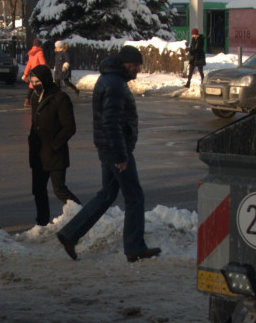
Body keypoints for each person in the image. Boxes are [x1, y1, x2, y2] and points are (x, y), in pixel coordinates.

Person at [55, 45, 160, 263]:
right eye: (135, 65)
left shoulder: (111, 80)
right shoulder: (114, 84)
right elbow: (111, 123)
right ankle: (134, 247)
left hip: (109, 147)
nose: (138, 69)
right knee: (134, 196)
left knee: (107, 194)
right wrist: (121, 155)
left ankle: (70, 234)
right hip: (115, 148)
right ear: (125, 63)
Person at [26, 65, 79, 227]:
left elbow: (69, 126)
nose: (35, 85)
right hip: (38, 152)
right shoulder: (36, 97)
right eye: (32, 81)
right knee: (38, 190)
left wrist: (55, 144)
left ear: (46, 81)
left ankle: (82, 216)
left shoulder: (60, 98)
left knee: (60, 190)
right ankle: (42, 223)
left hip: (54, 153)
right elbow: (35, 123)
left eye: (38, 81)